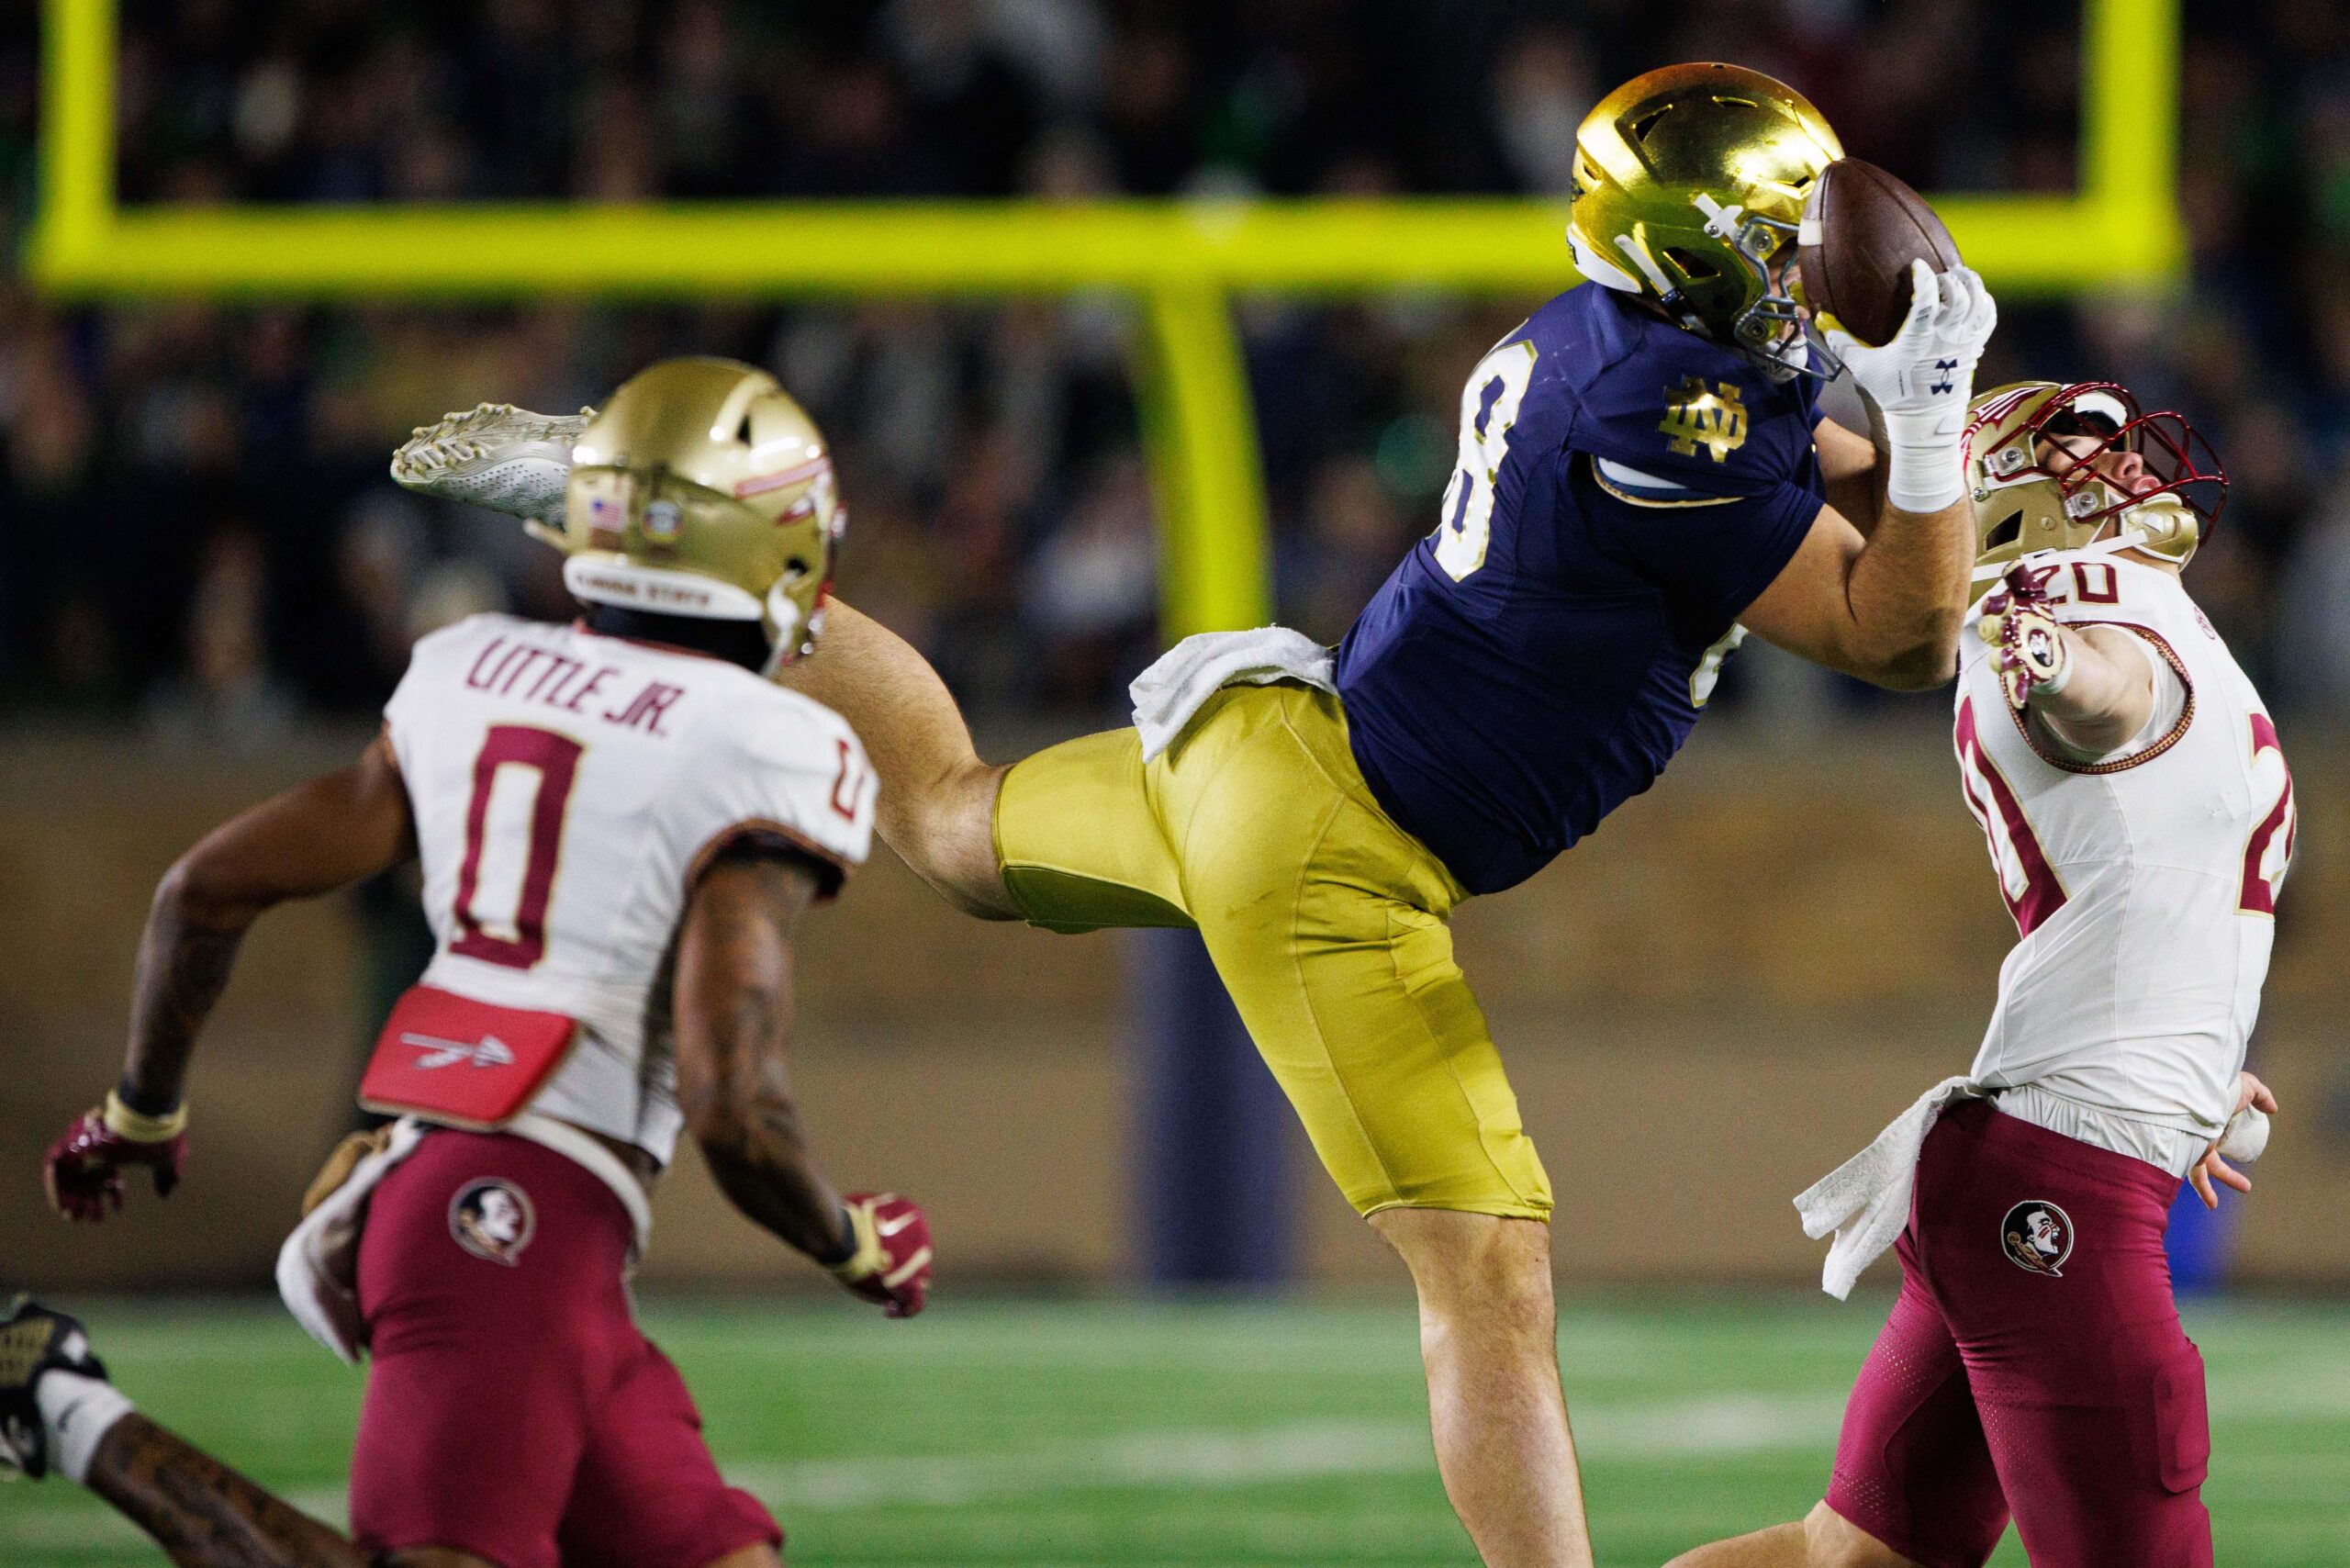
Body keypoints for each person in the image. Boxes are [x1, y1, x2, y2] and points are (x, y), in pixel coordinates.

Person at [388, 63, 1998, 1567]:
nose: (1806, 271)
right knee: (1488, 1274)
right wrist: (1931, 424)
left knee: (948, 823)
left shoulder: (1619, 347)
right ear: (1703, 255)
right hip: (1339, 857)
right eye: (1781, 243)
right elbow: (1891, 630)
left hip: (1278, 756)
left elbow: (1847, 472)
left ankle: (648, 509)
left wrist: (1962, 440)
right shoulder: (1668, 421)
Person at [18, 357, 935, 1568]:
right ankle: (59, 1405)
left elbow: (203, 891)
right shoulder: (770, 742)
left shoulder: (472, 668)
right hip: (511, 1215)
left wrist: (142, 1110)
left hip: (504, 1209)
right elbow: (735, 1104)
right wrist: (848, 1240)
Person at [1665, 379, 2288, 1568]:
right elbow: (2104, 701)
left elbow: (2153, 864)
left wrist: (2193, 1066)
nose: (2124, 465)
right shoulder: (2060, 612)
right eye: (2076, 452)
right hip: (2060, 1179)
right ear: (2005, 502)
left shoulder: (2132, 603)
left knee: (1841, 1560)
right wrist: (2059, 667)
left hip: (2043, 1157)